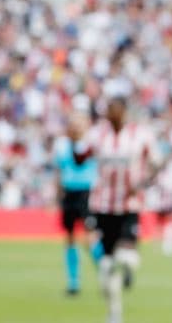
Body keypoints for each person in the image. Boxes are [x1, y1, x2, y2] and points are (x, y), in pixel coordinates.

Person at [74, 96, 162, 323]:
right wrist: (74, 138)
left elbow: (157, 162)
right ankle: (114, 313)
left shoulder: (140, 135)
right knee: (106, 266)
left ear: (124, 112)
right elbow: (80, 158)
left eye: (116, 110)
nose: (113, 114)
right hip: (102, 206)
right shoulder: (97, 134)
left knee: (126, 257)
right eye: (109, 110)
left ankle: (128, 268)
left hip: (128, 206)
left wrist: (141, 184)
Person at [53, 107, 101, 295]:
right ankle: (73, 282)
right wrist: (57, 196)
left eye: (79, 123)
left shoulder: (91, 144)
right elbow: (59, 172)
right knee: (70, 237)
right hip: (69, 193)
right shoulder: (62, 145)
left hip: (86, 194)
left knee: (90, 238)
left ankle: (105, 270)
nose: (75, 127)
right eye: (72, 123)